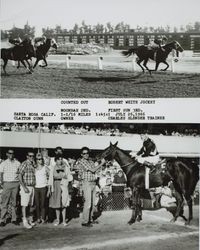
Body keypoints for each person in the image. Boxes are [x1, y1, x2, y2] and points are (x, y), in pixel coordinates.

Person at [75, 147, 105, 227]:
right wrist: (101, 163)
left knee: (92, 203)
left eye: (87, 153)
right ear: (81, 154)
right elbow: (93, 170)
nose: (86, 154)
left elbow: (96, 170)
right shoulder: (81, 161)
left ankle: (90, 219)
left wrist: (99, 164)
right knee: (87, 203)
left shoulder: (91, 161)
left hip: (93, 182)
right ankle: (85, 221)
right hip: (87, 183)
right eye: (84, 153)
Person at [48, 155, 73, 226]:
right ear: (55, 160)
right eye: (58, 159)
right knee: (57, 204)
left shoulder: (66, 167)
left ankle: (64, 221)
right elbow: (51, 178)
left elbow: (69, 177)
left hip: (64, 185)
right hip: (56, 185)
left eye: (61, 159)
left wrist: (65, 177)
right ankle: (58, 220)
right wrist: (49, 189)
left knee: (64, 203)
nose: (60, 161)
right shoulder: (53, 167)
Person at [0, 149, 21, 226]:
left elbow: (20, 174)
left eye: (12, 153)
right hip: (7, 184)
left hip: (15, 184)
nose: (11, 154)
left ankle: (14, 219)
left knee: (15, 202)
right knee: (4, 203)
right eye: (10, 153)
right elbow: (1, 174)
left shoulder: (17, 163)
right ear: (7, 154)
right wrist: (2, 183)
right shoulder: (3, 163)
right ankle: (2, 220)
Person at [18, 150, 36, 229]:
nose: (32, 157)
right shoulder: (24, 164)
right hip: (26, 187)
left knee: (29, 205)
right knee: (24, 205)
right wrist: (24, 187)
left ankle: (29, 220)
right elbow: (19, 176)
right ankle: (25, 221)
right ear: (27, 156)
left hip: (32, 187)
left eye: (33, 156)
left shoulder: (33, 164)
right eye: (30, 156)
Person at [34, 153, 49, 224]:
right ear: (36, 160)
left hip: (43, 187)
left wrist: (48, 186)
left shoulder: (45, 167)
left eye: (41, 159)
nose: (40, 160)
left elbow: (50, 175)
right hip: (36, 188)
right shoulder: (34, 168)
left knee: (43, 204)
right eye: (38, 159)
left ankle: (43, 218)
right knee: (37, 204)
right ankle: (38, 218)